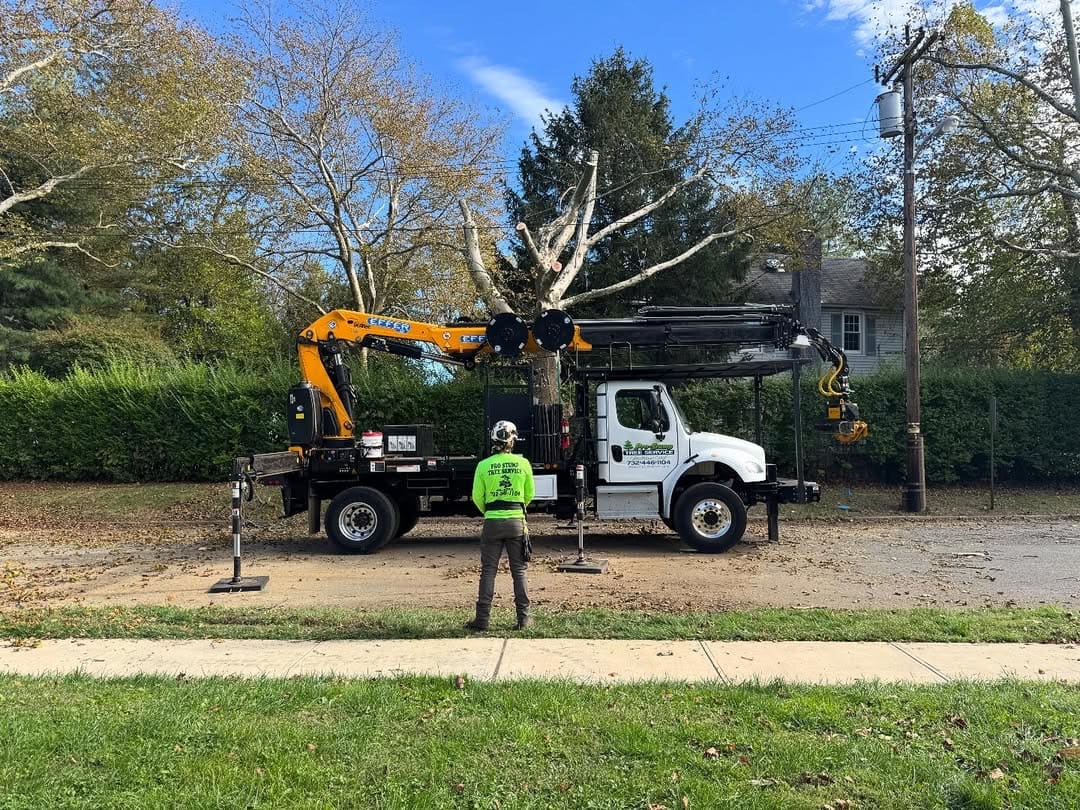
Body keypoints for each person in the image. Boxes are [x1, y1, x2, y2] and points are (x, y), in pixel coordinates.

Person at [467, 419, 534, 631]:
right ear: (513, 440)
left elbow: (477, 497)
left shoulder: (483, 466)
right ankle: (524, 619)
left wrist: (490, 512)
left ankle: (482, 620)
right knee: (519, 571)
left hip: (492, 523)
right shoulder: (523, 464)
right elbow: (529, 494)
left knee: (488, 571)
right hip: (517, 523)